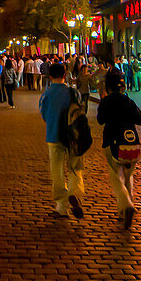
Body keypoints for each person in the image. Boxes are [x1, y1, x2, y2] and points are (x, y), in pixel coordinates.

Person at [96, 68, 141, 227]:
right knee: (129, 175)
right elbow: (140, 120)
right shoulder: (128, 100)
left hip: (112, 142)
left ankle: (126, 204)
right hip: (132, 143)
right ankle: (124, 208)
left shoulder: (106, 101)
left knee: (116, 176)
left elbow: (100, 120)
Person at [39, 62, 84, 219]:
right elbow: (80, 109)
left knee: (57, 171)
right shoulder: (73, 93)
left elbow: (44, 116)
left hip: (54, 135)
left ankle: (62, 206)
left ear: (50, 76)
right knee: (75, 167)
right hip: (74, 137)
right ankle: (74, 192)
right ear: (64, 75)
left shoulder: (46, 95)